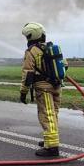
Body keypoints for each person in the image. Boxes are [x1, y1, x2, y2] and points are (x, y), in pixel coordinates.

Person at [19, 22, 61, 157]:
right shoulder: (51, 48)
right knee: (53, 114)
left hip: (44, 88)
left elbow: (27, 73)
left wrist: (23, 92)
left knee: (47, 115)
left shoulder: (32, 51)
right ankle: (49, 140)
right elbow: (65, 65)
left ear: (31, 36)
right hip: (56, 86)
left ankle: (52, 148)